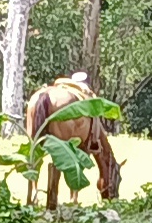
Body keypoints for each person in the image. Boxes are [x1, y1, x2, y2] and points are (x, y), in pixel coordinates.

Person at [24, 75, 121, 207]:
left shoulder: (38, 95)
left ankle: (33, 192)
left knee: (34, 149)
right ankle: (73, 198)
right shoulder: (86, 96)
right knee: (73, 154)